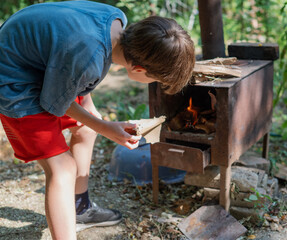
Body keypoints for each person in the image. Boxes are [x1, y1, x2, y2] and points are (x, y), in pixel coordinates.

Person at [0, 1, 195, 239]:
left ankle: (80, 208)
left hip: (42, 65)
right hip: (14, 81)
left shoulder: (116, 21)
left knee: (86, 127)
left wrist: (90, 110)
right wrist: (105, 127)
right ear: (140, 69)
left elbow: (74, 58)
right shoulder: (90, 56)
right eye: (156, 80)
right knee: (63, 169)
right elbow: (55, 101)